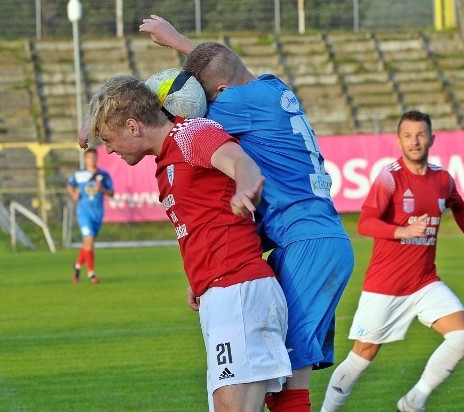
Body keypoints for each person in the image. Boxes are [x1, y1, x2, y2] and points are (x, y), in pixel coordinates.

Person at [138, 17, 354, 411]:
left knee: (288, 378)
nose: (209, 106)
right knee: (283, 374)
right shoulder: (272, 86)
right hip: (314, 238)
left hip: (306, 241)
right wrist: (181, 43)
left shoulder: (231, 106)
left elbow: (177, 121)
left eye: (210, 98)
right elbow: (220, 64)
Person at [81, 74, 292, 412]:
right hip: (220, 290)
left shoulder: (191, 134)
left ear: (133, 126)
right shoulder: (167, 157)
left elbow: (242, 163)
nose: (108, 149)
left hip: (238, 289)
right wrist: (199, 277)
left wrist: (245, 187)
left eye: (108, 139)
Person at [321, 110, 464, 412]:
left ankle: (414, 401)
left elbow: (460, 208)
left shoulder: (442, 179)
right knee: (363, 354)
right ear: (398, 141)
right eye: (408, 136)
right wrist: (403, 230)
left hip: (424, 282)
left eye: (421, 135)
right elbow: (365, 223)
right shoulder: (390, 178)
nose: (415, 141)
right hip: (385, 287)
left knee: (462, 336)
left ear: (432, 138)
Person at [66, 147, 114, 284]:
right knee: (89, 239)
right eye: (89, 158)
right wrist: (73, 193)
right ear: (85, 159)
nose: (91, 160)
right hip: (84, 212)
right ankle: (91, 274)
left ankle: (76, 266)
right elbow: (70, 185)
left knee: (88, 243)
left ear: (97, 159)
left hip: (97, 213)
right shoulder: (79, 174)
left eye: (94, 157)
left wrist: (102, 189)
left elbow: (112, 193)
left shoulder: (103, 175)